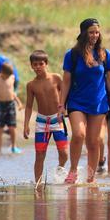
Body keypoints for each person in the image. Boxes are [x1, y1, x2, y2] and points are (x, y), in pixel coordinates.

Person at [59, 18, 110, 184]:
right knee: (79, 134)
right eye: (91, 32)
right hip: (76, 101)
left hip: (98, 102)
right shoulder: (72, 55)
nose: (95, 35)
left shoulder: (104, 54)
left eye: (97, 32)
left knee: (93, 141)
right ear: (83, 33)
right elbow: (66, 81)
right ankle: (73, 170)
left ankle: (90, 177)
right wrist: (61, 105)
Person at [23, 50, 69, 186]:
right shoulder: (31, 85)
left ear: (46, 64)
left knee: (64, 152)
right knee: (40, 154)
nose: (38, 67)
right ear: (31, 65)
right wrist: (26, 125)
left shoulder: (55, 78)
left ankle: (60, 169)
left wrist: (64, 108)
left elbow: (65, 94)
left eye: (40, 64)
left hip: (57, 119)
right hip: (42, 122)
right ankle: (38, 183)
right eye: (35, 64)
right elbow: (29, 106)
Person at [0, 63, 22, 154]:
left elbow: (12, 92)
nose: (7, 77)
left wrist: (19, 102)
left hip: (10, 104)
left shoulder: (12, 78)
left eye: (8, 75)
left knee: (12, 127)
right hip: (0, 104)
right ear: (1, 72)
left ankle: (14, 146)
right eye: (5, 75)